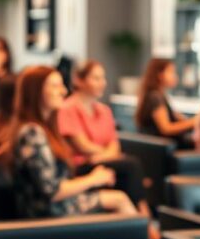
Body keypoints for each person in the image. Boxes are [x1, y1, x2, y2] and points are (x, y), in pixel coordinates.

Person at [12, 65, 137, 218]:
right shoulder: (32, 133)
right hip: (48, 212)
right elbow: (52, 191)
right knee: (120, 199)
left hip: (57, 205)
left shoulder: (45, 128)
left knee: (120, 193)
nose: (63, 91)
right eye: (55, 86)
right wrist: (93, 179)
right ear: (36, 92)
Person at [57, 60, 148, 211]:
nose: (102, 83)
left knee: (127, 174)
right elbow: (82, 145)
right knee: (131, 166)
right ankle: (144, 217)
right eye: (96, 78)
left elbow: (114, 145)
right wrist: (107, 154)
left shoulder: (104, 111)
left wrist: (102, 157)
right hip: (80, 167)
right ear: (79, 80)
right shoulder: (67, 109)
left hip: (100, 161)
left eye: (103, 78)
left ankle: (138, 219)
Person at [135, 58, 196, 147]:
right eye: (171, 72)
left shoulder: (159, 95)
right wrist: (193, 122)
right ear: (160, 75)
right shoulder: (155, 97)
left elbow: (177, 118)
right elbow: (166, 128)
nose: (175, 76)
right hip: (161, 147)